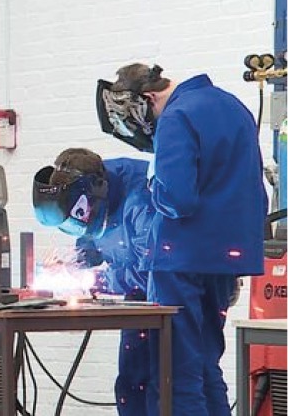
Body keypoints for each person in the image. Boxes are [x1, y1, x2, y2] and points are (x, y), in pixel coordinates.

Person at [99, 63, 266, 416]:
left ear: (148, 98)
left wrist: (151, 186)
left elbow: (176, 199)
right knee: (206, 365)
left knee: (176, 373)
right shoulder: (232, 105)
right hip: (225, 258)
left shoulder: (176, 116)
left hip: (181, 260)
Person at [33, 147, 155, 415]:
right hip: (140, 302)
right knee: (130, 385)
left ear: (98, 191)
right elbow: (90, 237)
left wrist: (93, 281)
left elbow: (150, 272)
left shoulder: (140, 198)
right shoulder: (83, 189)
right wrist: (74, 261)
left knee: (160, 384)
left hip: (171, 299)